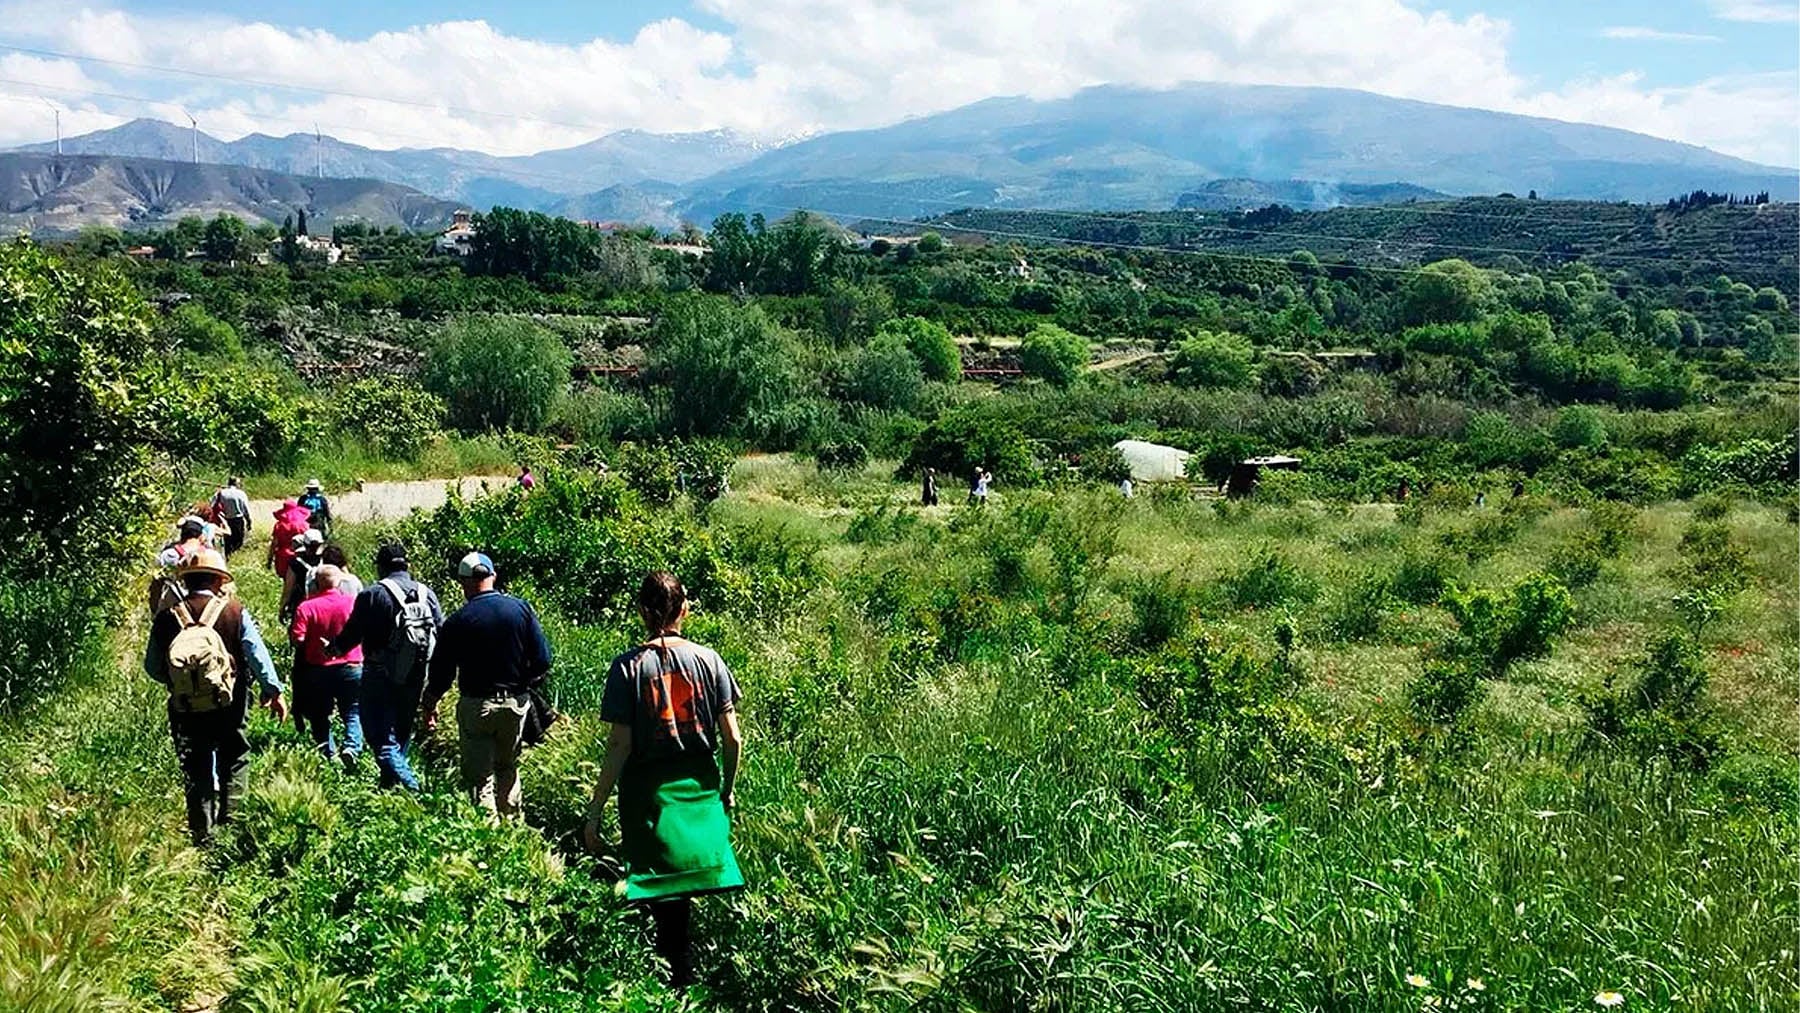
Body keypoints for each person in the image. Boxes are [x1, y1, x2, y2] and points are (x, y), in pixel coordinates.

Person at [584, 571, 744, 988]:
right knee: (690, 877)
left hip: (647, 792)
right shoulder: (710, 660)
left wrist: (595, 810)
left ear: (641, 612)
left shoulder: (627, 667)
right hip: (698, 786)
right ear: (684, 609)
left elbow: (619, 746)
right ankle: (679, 967)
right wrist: (725, 792)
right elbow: (733, 737)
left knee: (658, 881)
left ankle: (670, 971)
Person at [144, 550, 286, 846]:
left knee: (195, 765)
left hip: (184, 706)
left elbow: (152, 667)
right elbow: (256, 654)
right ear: (219, 579)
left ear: (186, 581)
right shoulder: (234, 611)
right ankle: (232, 829)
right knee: (234, 757)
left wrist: (181, 683)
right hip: (229, 703)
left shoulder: (167, 617)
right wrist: (272, 691)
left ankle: (202, 836)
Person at [421, 552, 552, 817]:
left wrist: (429, 703)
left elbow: (441, 673)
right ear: (493, 576)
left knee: (480, 778)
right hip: (515, 704)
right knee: (508, 766)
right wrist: (523, 684)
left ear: (463, 582)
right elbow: (543, 659)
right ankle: (513, 827)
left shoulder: (458, 621)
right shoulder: (521, 609)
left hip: (477, 705)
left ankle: (488, 837)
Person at [331, 543, 444, 791]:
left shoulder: (372, 594)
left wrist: (334, 649)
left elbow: (352, 634)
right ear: (407, 566)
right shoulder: (428, 594)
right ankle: (389, 788)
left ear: (380, 567)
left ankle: (415, 789)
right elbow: (442, 634)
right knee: (400, 732)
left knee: (378, 737)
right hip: (415, 675)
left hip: (378, 674)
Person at [290, 564, 364, 767]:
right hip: (352, 665)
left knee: (319, 715)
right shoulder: (352, 603)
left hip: (318, 668)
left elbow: (298, 638)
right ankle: (352, 747)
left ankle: (328, 754)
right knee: (352, 711)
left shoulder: (306, 606)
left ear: (316, 583)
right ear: (340, 582)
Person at [280, 529, 327, 626]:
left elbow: (288, 589)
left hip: (301, 604)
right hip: (324, 604)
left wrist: (282, 608)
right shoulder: (328, 559)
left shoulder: (296, 563)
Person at [267, 498, 312, 579]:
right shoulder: (305, 525)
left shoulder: (280, 525)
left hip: (283, 556)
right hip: (300, 555)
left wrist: (270, 559)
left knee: (286, 580)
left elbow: (274, 543)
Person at [212, 477, 252, 556]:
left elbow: (212, 505)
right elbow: (246, 509)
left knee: (227, 542)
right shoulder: (241, 494)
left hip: (225, 521)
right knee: (238, 542)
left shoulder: (221, 493)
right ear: (237, 484)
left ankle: (228, 558)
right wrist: (249, 521)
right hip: (238, 521)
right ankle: (235, 557)